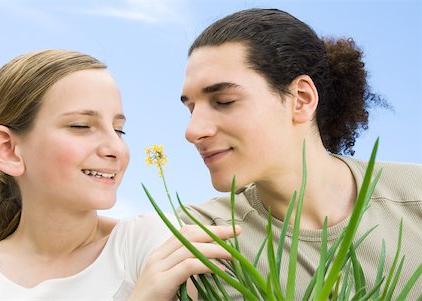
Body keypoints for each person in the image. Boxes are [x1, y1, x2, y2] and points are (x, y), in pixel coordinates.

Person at [179, 8, 422, 300]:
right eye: (191, 108)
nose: (193, 131)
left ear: (301, 99)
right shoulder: (204, 235)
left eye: (224, 101)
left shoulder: (414, 195)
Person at [0, 49, 237, 300]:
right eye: (81, 126)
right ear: (8, 150)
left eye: (119, 130)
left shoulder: (150, 243)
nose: (115, 148)